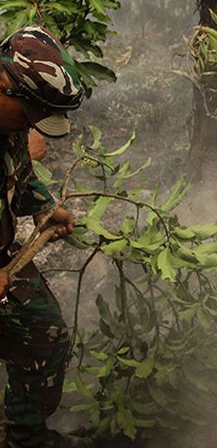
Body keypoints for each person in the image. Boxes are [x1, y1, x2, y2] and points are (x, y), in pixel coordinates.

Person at [0, 26, 89, 448]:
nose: (30, 127)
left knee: (44, 335)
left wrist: (42, 206)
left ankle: (26, 436)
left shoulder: (7, 121)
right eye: (29, 116)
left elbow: (16, 171)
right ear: (4, 85)